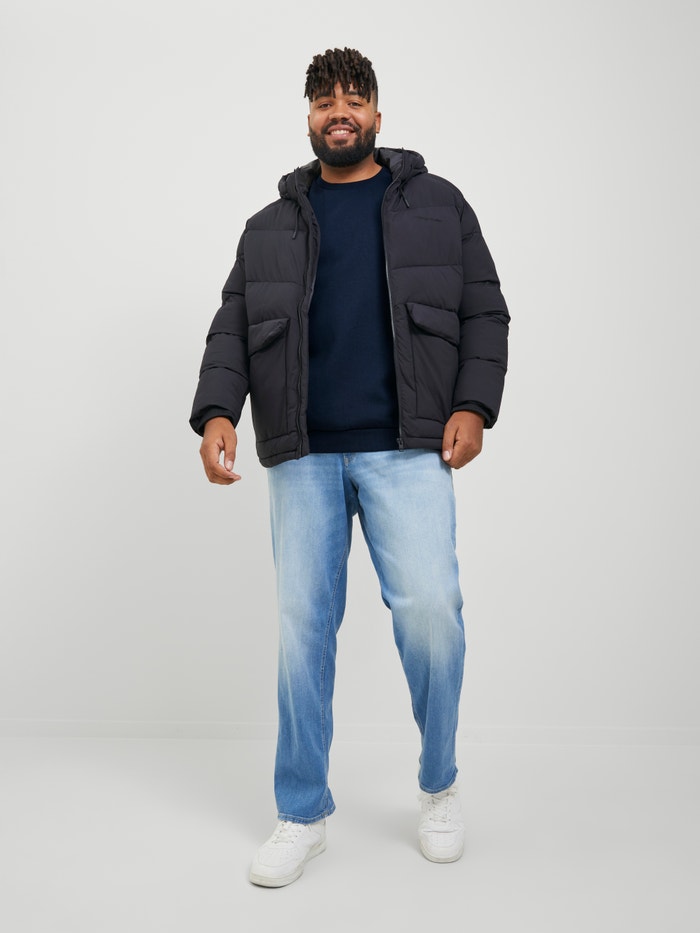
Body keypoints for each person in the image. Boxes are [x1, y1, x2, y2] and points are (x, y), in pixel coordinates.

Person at [190, 47, 509, 887]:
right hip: (302, 454)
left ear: (377, 114)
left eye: (354, 98)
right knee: (302, 632)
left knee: (433, 614)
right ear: (308, 118)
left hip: (410, 447)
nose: (340, 111)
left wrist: (473, 405)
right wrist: (217, 411)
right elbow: (232, 326)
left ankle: (438, 785)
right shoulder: (269, 226)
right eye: (325, 99)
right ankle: (303, 811)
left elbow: (485, 309)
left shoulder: (439, 205)